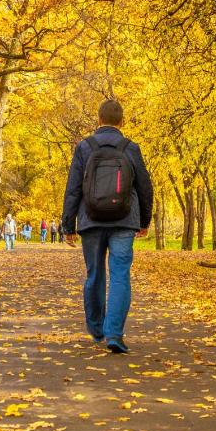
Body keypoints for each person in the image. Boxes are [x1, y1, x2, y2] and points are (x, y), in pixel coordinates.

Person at [61, 99, 153, 354]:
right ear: (121, 122)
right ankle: (114, 334)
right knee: (120, 274)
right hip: (124, 220)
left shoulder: (84, 147)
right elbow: (144, 186)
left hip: (90, 220)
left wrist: (68, 224)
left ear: (99, 120)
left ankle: (96, 329)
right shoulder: (130, 148)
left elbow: (74, 188)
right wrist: (144, 220)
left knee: (95, 274)